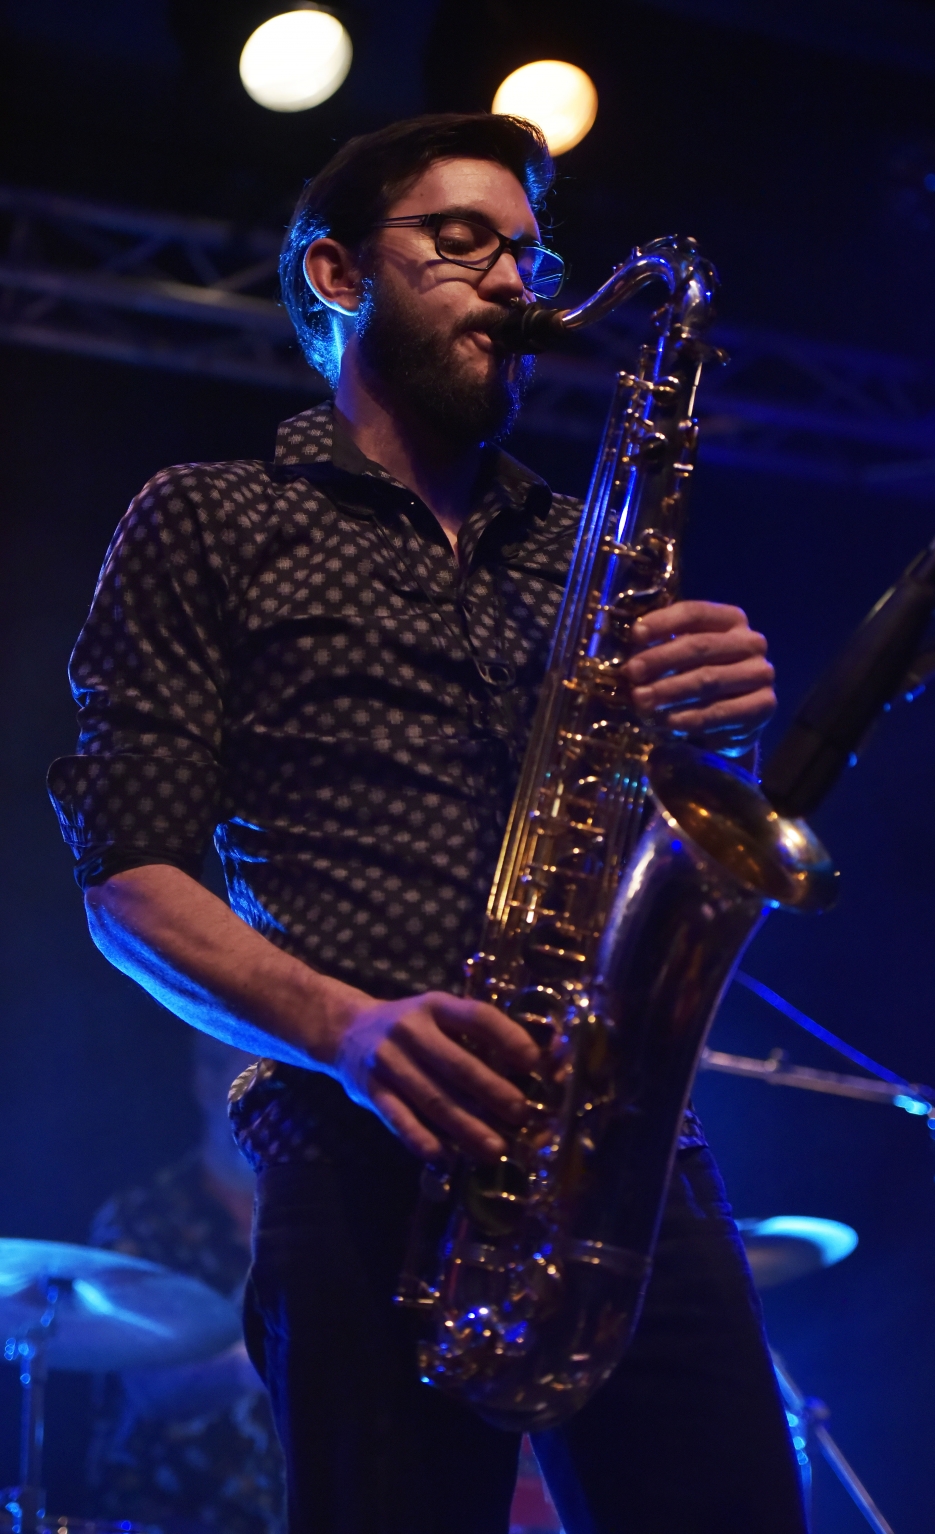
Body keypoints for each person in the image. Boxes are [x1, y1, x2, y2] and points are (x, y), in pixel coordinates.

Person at [48, 113, 799, 1533]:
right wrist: (349, 1027)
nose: (514, 281)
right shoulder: (209, 518)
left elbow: (661, 849)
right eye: (462, 244)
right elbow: (128, 878)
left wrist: (724, 736)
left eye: (529, 250)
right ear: (336, 273)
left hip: (626, 1156)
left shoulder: (594, 548)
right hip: (356, 1153)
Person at [87, 1034, 285, 1534]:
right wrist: (280, 1352)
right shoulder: (144, 1218)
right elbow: (151, 1386)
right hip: (171, 1515)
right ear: (207, 1080)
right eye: (256, 1083)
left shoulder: (317, 1227)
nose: (274, 1109)